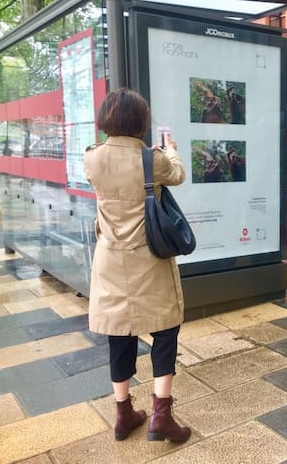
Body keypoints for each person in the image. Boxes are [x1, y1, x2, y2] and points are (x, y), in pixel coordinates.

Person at [83, 88, 191, 442]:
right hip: (150, 259)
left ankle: (123, 413)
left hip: (110, 260)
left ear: (106, 119)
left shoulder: (92, 158)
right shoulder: (151, 159)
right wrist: (170, 149)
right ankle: (161, 416)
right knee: (165, 330)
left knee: (118, 334)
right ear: (141, 121)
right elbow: (177, 175)